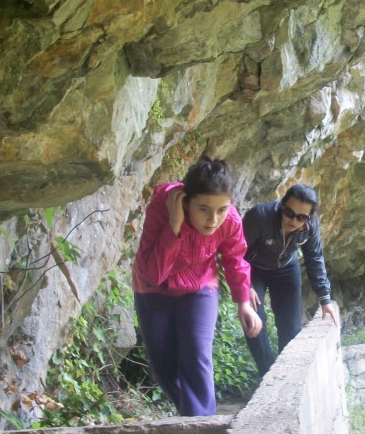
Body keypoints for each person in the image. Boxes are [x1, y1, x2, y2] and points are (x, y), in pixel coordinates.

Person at [132, 156, 262, 416]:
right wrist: (174, 224)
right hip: (153, 288)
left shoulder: (230, 220)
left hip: (200, 284)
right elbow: (154, 273)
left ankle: (199, 426)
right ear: (186, 201)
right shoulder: (161, 208)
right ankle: (192, 417)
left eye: (221, 209)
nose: (213, 219)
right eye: (204, 209)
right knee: (163, 367)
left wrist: (244, 303)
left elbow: (235, 259)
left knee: (196, 353)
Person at [242, 184, 338, 375]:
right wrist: (246, 285)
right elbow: (236, 252)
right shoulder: (259, 216)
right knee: (252, 320)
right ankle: (268, 374)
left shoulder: (310, 226)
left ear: (309, 217)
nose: (294, 220)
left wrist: (324, 298)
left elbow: (314, 257)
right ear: (282, 206)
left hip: (286, 268)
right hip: (253, 270)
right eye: (289, 213)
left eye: (301, 217)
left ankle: (285, 374)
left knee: (291, 327)